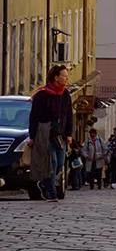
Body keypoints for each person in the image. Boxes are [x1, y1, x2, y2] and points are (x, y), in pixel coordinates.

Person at [28, 64, 73, 202]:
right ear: (56, 77)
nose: (66, 79)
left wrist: (69, 134)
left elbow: (69, 114)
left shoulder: (65, 93)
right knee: (51, 162)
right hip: (45, 132)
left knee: (60, 163)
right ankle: (52, 193)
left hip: (60, 134)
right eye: (64, 76)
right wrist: (32, 136)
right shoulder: (42, 94)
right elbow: (34, 116)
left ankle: (43, 183)